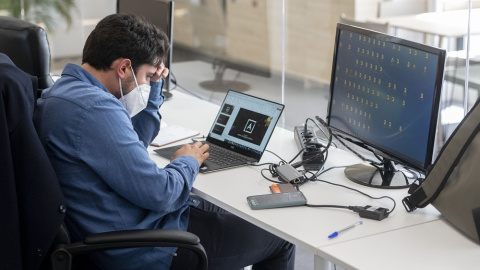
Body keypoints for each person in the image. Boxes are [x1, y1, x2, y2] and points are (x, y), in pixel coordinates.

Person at [34, 14, 295, 270]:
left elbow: (135, 140)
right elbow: (161, 193)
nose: (147, 84)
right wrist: (186, 161)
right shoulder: (96, 108)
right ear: (124, 68)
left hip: (119, 224)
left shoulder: (61, 93)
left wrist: (155, 85)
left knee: (223, 208)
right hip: (144, 247)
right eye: (147, 77)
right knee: (281, 237)